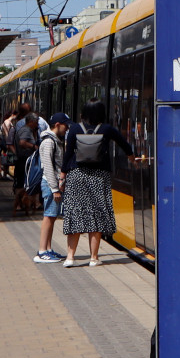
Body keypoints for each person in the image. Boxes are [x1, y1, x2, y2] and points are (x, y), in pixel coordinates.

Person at [60, 100, 134, 267]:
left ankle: (70, 257)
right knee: (97, 215)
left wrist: (62, 175)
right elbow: (124, 144)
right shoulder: (107, 129)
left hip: (77, 175)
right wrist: (132, 157)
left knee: (75, 214)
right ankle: (94, 258)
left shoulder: (75, 129)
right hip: (99, 177)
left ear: (84, 112)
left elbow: (68, 153)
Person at [34, 113, 70, 263]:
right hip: (50, 185)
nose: (67, 128)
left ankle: (48, 249)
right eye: (65, 125)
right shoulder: (49, 142)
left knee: (52, 216)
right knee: (48, 216)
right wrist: (55, 189)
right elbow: (48, 167)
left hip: (53, 184)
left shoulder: (55, 140)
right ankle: (42, 251)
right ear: (57, 125)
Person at [12, 112, 39, 214]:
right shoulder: (26, 130)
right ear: (31, 121)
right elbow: (22, 142)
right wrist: (34, 147)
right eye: (36, 122)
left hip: (23, 159)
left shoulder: (26, 129)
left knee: (22, 182)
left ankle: (22, 204)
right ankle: (21, 204)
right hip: (24, 160)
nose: (37, 124)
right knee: (23, 183)